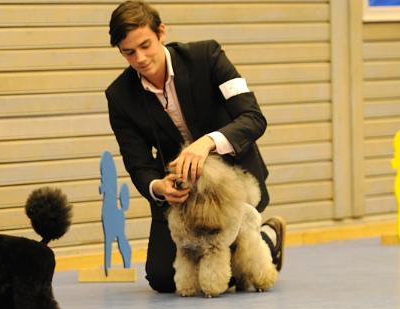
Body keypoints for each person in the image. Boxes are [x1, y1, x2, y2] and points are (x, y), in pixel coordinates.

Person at [105, 1, 286, 293]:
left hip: (233, 184)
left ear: (161, 32)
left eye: (145, 45)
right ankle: (244, 246)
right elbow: (137, 162)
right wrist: (159, 187)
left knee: (236, 271)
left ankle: (264, 236)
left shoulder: (208, 56)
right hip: (182, 199)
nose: (139, 58)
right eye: (128, 52)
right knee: (163, 280)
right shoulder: (119, 96)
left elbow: (253, 118)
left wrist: (208, 142)